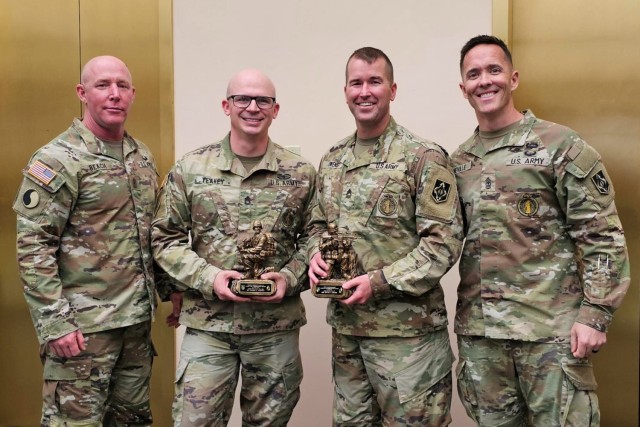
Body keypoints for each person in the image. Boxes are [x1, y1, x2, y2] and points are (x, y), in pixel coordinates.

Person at [452, 35, 631, 426]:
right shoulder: (459, 162)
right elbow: (441, 241)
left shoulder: (559, 145)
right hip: (483, 339)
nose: (485, 81)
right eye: (474, 73)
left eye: (494, 70)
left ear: (513, 78)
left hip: (551, 335)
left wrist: (596, 313)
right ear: (463, 87)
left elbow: (602, 234)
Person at [307, 47, 464, 426]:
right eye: (356, 82)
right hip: (348, 335)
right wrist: (314, 254)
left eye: (374, 81)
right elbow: (316, 226)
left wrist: (378, 282)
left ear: (392, 90)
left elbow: (442, 244)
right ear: (345, 91)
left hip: (408, 341)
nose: (365, 91)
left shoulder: (422, 157)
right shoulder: (332, 160)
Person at [151, 69, 316, 426]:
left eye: (263, 100)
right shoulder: (191, 169)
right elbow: (164, 238)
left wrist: (289, 277)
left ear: (276, 109)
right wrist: (209, 277)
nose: (252, 107)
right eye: (243, 99)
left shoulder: (301, 173)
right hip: (210, 328)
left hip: (274, 330)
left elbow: (316, 239)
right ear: (226, 105)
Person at [13, 56, 159, 426]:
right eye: (102, 85)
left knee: (131, 421)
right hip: (82, 331)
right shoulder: (57, 159)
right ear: (82, 93)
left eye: (122, 86)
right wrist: (56, 323)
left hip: (135, 327)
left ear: (133, 94)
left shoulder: (140, 156)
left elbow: (151, 234)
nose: (114, 95)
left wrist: (170, 290)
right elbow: (33, 247)